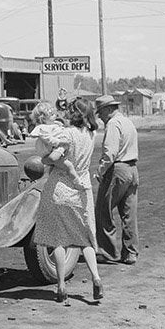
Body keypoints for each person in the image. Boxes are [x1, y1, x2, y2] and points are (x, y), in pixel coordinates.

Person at [29, 99, 104, 305]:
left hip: (60, 189)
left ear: (74, 114)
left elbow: (53, 156)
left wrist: (44, 160)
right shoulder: (91, 134)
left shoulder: (67, 134)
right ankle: (96, 278)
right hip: (82, 189)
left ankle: (61, 285)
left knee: (58, 239)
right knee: (85, 238)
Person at [93, 94, 139, 264]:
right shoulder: (128, 122)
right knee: (129, 214)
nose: (100, 118)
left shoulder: (113, 124)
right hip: (132, 169)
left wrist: (100, 171)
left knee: (103, 211)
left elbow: (110, 153)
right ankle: (131, 253)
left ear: (107, 110)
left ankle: (108, 252)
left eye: (101, 113)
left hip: (117, 170)